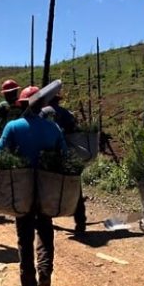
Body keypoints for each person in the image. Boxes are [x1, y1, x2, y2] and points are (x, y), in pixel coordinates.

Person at [0, 81, 67, 286]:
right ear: (42, 104)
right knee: (45, 230)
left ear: (22, 104)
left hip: (22, 188)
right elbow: (63, 155)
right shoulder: (53, 128)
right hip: (46, 188)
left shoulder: (13, 127)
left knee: (24, 238)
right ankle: (44, 272)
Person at [39, 84, 87, 234]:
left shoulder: (43, 113)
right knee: (75, 188)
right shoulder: (67, 113)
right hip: (67, 156)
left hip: (49, 156)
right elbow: (75, 132)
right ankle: (81, 222)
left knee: (46, 188)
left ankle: (46, 220)